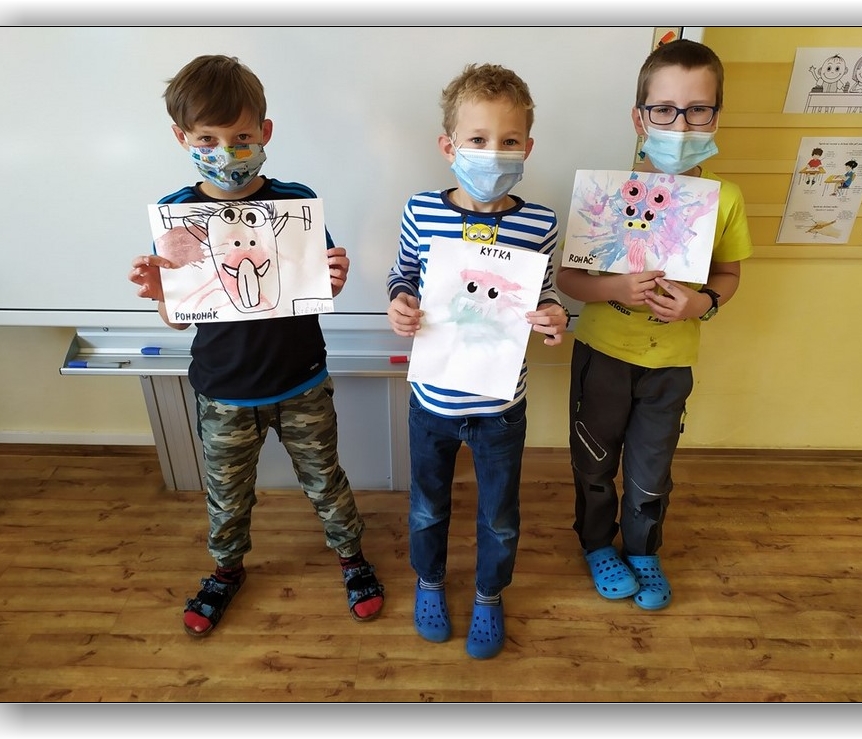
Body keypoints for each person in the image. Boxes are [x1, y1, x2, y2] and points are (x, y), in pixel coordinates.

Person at [128, 55, 384, 637]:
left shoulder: (295, 203)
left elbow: (315, 291)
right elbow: (178, 320)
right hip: (224, 391)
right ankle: (226, 570)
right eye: (208, 139)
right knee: (226, 494)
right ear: (182, 138)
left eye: (241, 137)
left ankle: (351, 557)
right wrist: (163, 296)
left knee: (325, 480)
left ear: (265, 132)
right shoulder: (179, 216)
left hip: (301, 382)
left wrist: (334, 280)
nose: (227, 151)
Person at [555, 39, 753, 611]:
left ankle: (643, 550)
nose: (682, 125)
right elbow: (569, 279)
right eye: (665, 109)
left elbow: (729, 274)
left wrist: (702, 303)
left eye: (698, 110)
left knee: (651, 469)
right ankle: (597, 544)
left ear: (716, 116)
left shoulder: (725, 199)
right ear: (640, 118)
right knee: (594, 460)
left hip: (670, 363)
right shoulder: (604, 195)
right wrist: (615, 288)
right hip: (602, 354)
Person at [386, 63, 569, 659]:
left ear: (528, 147)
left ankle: (490, 592)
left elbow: (544, 292)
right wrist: (399, 302)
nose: (493, 153)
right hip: (432, 401)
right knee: (426, 506)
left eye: (509, 140)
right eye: (478, 139)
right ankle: (430, 581)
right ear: (449, 147)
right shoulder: (421, 211)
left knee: (499, 515)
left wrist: (554, 315)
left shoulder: (540, 222)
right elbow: (403, 274)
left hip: (501, 405)